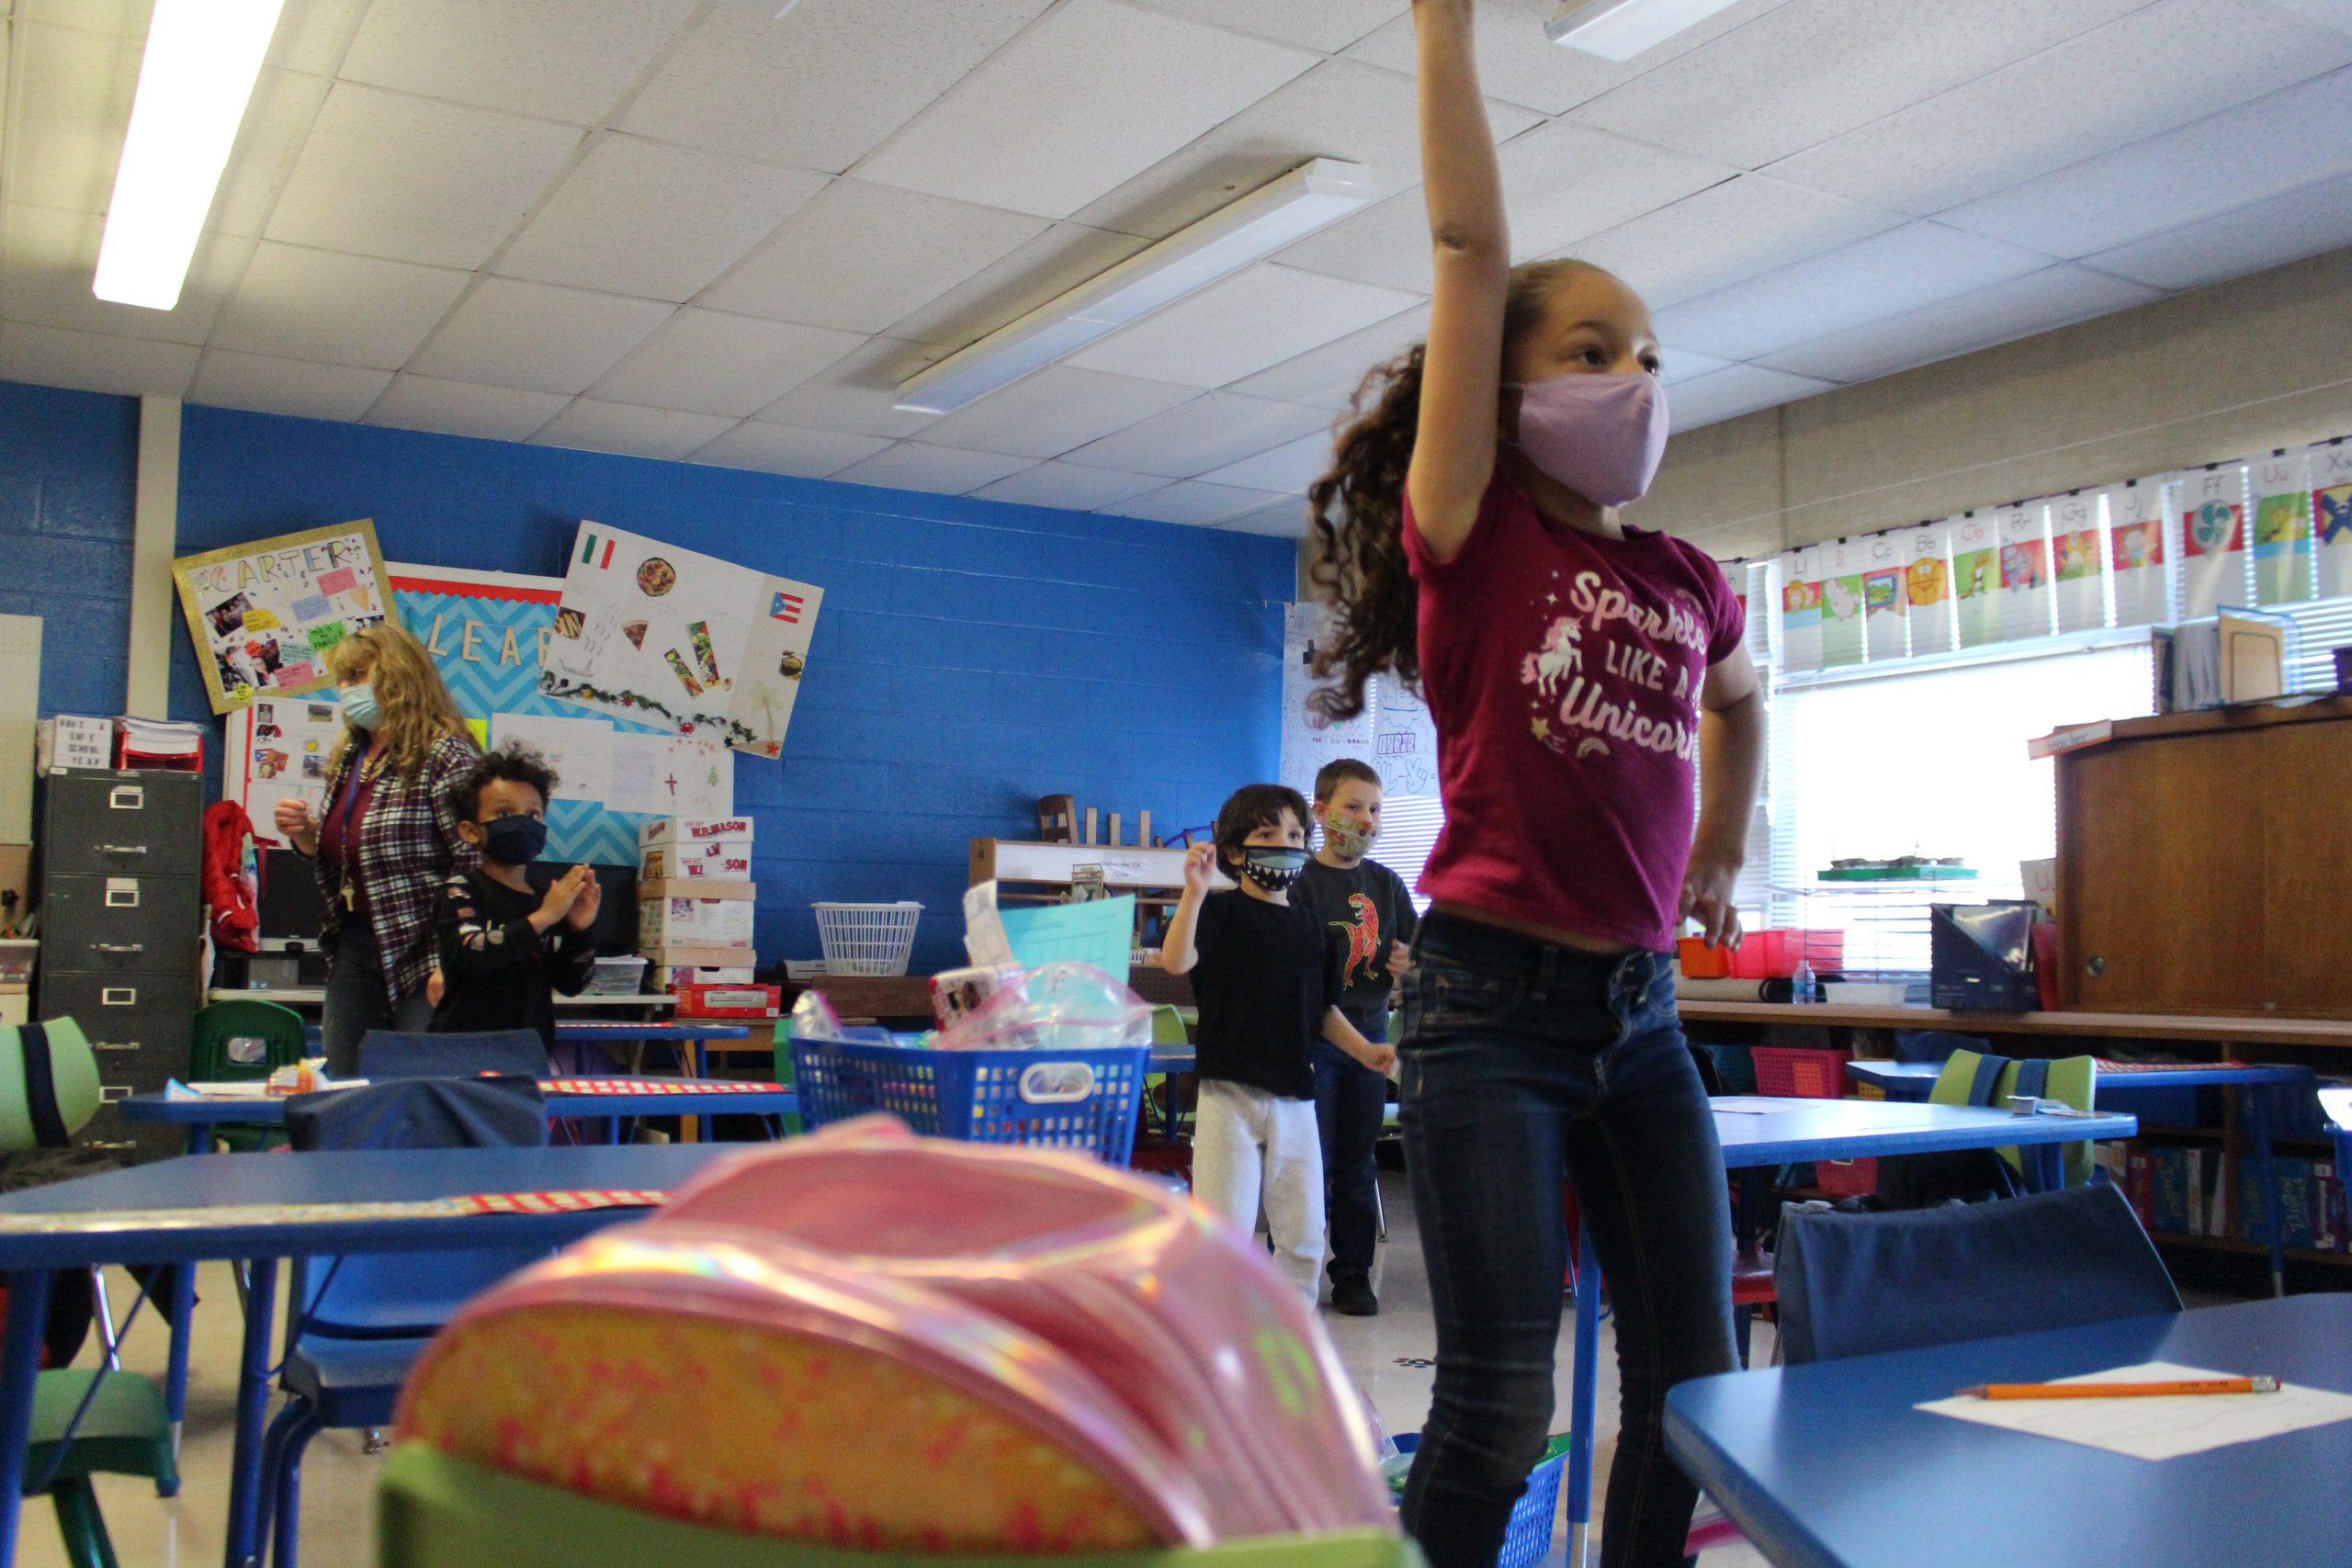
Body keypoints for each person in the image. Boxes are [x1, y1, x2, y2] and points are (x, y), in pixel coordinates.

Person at [1303, 5, 1767, 1564]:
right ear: (1501, 385)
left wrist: (1728, 833)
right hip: (1490, 1006)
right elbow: (1465, 244)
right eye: (1590, 349)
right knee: (1500, 1397)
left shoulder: (1691, 577)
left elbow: (1744, 703)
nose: (1632, 375)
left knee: (1695, 1392)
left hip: (1640, 1018)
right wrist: (1446, 30)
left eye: (1648, 354)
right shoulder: (1482, 527)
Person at [1159, 784, 1397, 1305]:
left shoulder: (1313, 928)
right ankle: (1220, 1338)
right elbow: (1175, 963)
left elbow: (1324, 1012)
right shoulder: (1219, 913)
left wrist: (1365, 1052)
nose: (1285, 845)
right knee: (1225, 1230)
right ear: (1237, 852)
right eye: (1268, 834)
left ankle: (1291, 1340)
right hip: (1229, 1096)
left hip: (1295, 1097)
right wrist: (1194, 893)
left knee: (1304, 1232)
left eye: (1294, 834)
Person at [273, 625, 481, 1077]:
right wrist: (308, 836)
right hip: (356, 943)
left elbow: (474, 865)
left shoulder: (446, 754)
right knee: (345, 1084)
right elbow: (347, 855)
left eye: (359, 675)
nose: (348, 689)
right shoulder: (352, 754)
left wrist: (456, 959)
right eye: (342, 679)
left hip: (426, 948)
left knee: (415, 1089)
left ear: (399, 675)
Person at [1291, 758, 1418, 1318]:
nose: (1366, 820)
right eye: (1353, 806)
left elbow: (1421, 961)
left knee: (1358, 1162)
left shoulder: (1386, 885)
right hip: (1315, 1041)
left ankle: (1353, 1275)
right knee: (1305, 1163)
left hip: (1370, 1039)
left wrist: (1410, 968)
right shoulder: (1301, 886)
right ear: (1321, 812)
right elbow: (1296, 981)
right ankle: (1293, 1276)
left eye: (1375, 809)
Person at [431, 743, 600, 1055]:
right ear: (471, 831)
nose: (522, 823)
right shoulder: (460, 890)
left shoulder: (544, 900)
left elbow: (572, 984)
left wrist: (580, 929)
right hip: (459, 1058)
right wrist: (544, 918)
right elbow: (471, 953)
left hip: (527, 1057)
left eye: (533, 814)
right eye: (504, 813)